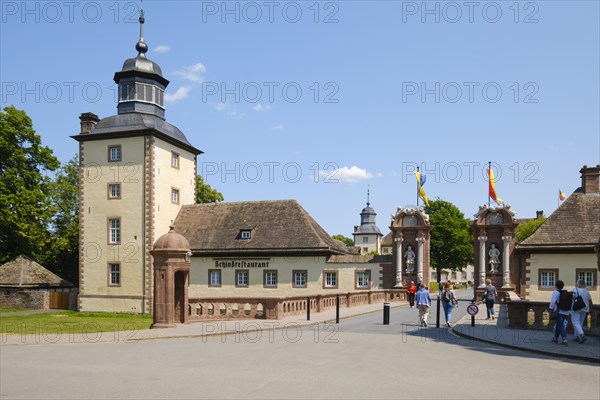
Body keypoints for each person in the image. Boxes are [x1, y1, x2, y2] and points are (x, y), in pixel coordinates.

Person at [570, 279, 592, 344]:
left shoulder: (575, 289)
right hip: (585, 307)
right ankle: (578, 336)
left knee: (575, 321)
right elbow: (590, 300)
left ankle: (581, 335)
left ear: (578, 284)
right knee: (580, 322)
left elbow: (572, 297)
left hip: (576, 307)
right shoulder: (586, 291)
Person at [549, 280, 569, 345]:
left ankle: (564, 339)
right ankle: (555, 338)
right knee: (558, 324)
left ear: (556, 286)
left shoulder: (556, 292)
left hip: (558, 311)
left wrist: (551, 309)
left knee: (560, 325)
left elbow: (553, 302)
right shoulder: (565, 293)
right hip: (565, 311)